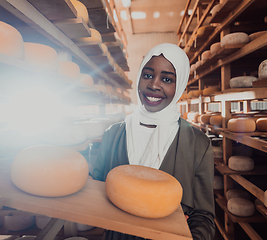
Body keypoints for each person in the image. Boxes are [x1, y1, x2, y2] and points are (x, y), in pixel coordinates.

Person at [90, 43, 215, 240]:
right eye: (147, 75)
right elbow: (95, 195)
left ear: (180, 84)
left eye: (166, 79)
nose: (154, 85)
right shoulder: (113, 135)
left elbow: (204, 216)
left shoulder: (197, 144)